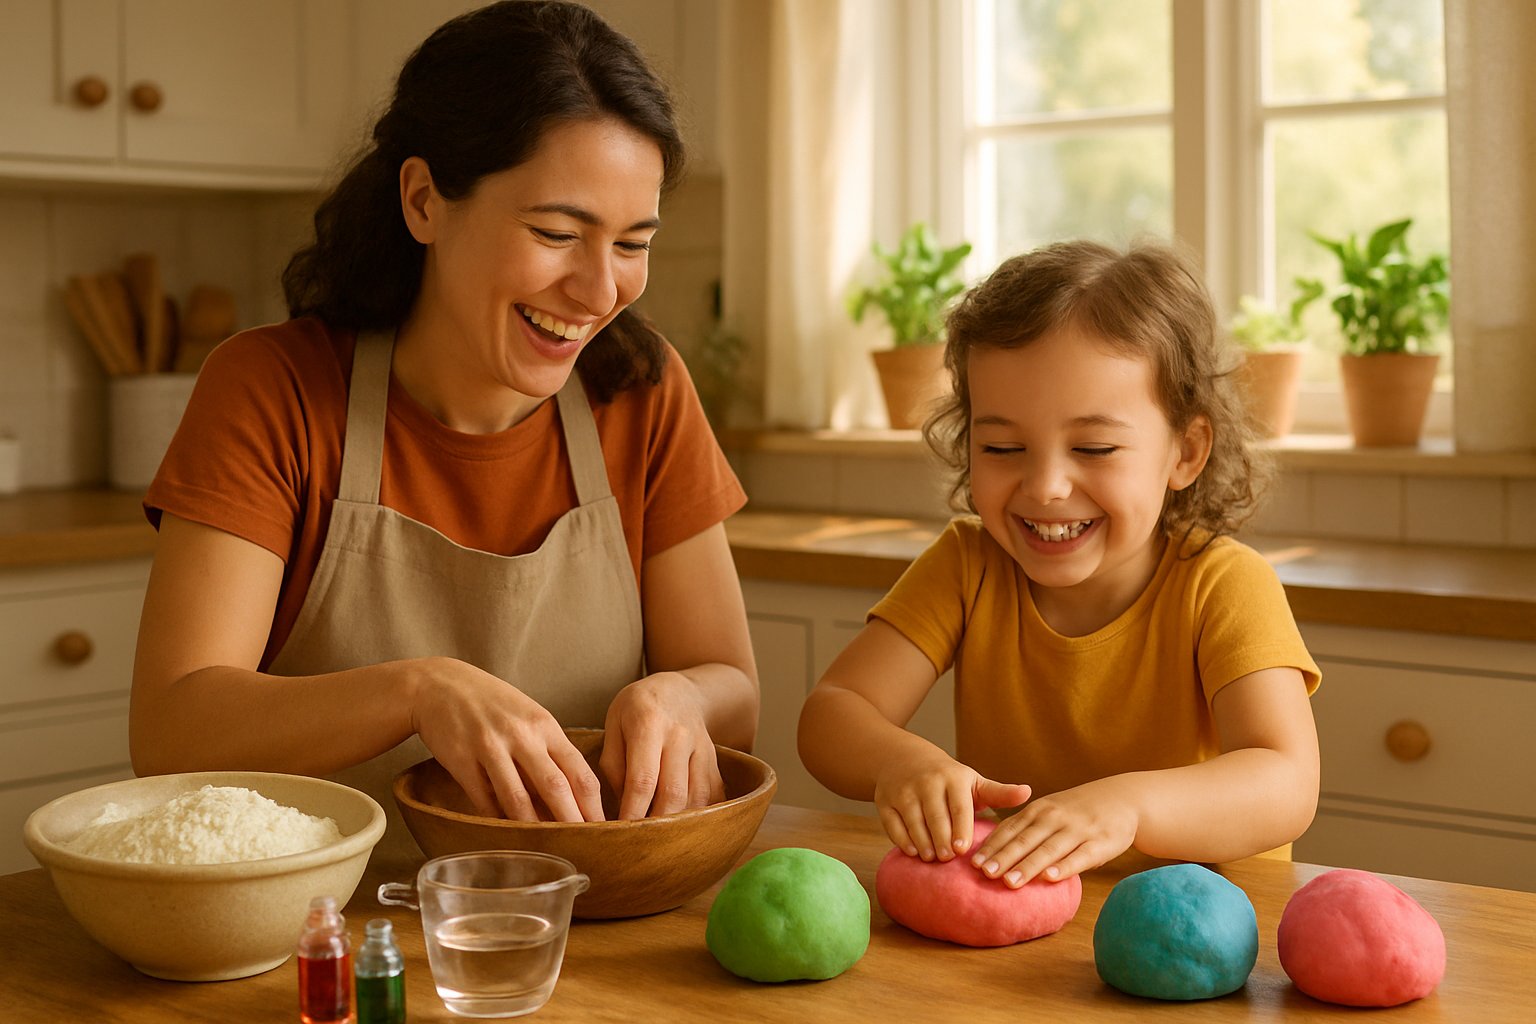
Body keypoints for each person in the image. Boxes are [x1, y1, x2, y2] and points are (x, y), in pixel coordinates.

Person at [129, 1, 757, 847]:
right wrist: (414, 691)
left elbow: (736, 695)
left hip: (579, 925)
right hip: (324, 935)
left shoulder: (642, 394)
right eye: (557, 232)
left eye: (632, 244)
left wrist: (682, 695)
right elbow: (174, 729)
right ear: (424, 201)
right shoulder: (272, 390)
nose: (600, 291)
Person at [798, 239, 1320, 888]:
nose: (1044, 486)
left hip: (1209, 943)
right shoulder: (967, 566)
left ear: (1186, 451)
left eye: (1095, 448)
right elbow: (833, 711)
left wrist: (1128, 809)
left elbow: (1286, 779)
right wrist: (898, 763)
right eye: (1003, 446)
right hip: (1026, 932)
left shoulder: (1224, 584)